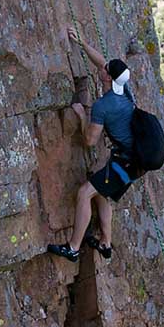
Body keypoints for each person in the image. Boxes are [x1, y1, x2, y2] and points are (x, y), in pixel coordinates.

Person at [47, 27, 143, 262]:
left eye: (105, 71)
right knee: (102, 193)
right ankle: (105, 243)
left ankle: (73, 247)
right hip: (133, 160)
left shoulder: (103, 106)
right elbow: (102, 62)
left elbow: (90, 141)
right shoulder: (124, 91)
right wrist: (82, 43)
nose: (101, 69)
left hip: (126, 163)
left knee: (84, 193)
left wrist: (82, 116)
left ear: (108, 78)